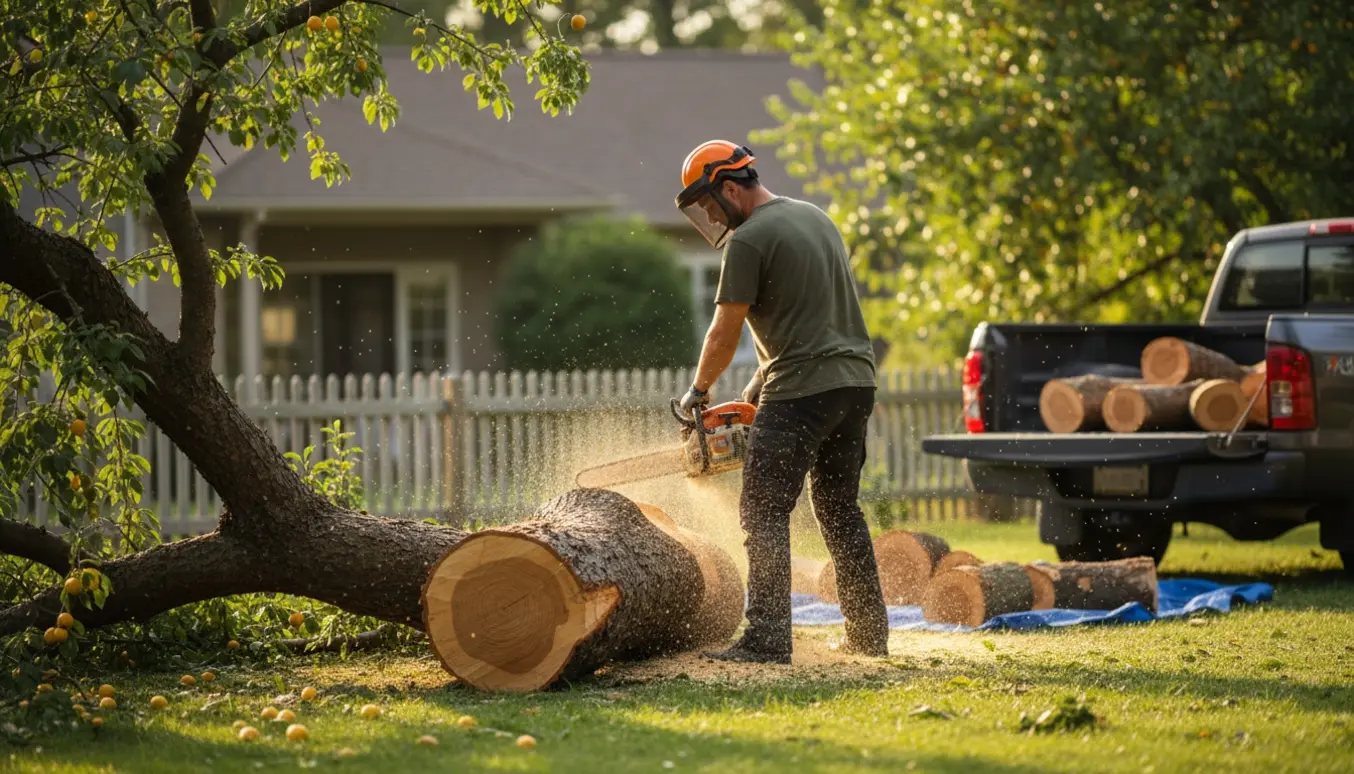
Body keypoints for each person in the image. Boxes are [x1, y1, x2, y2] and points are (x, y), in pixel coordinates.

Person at [673, 139, 890, 664]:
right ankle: (869, 635)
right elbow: (811, 319)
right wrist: (755, 389)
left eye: (709, 205)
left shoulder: (749, 240)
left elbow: (724, 333)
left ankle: (767, 638)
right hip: (855, 383)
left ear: (729, 187)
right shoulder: (814, 217)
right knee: (839, 509)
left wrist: (697, 393)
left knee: (763, 510)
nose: (710, 215)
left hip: (802, 388)